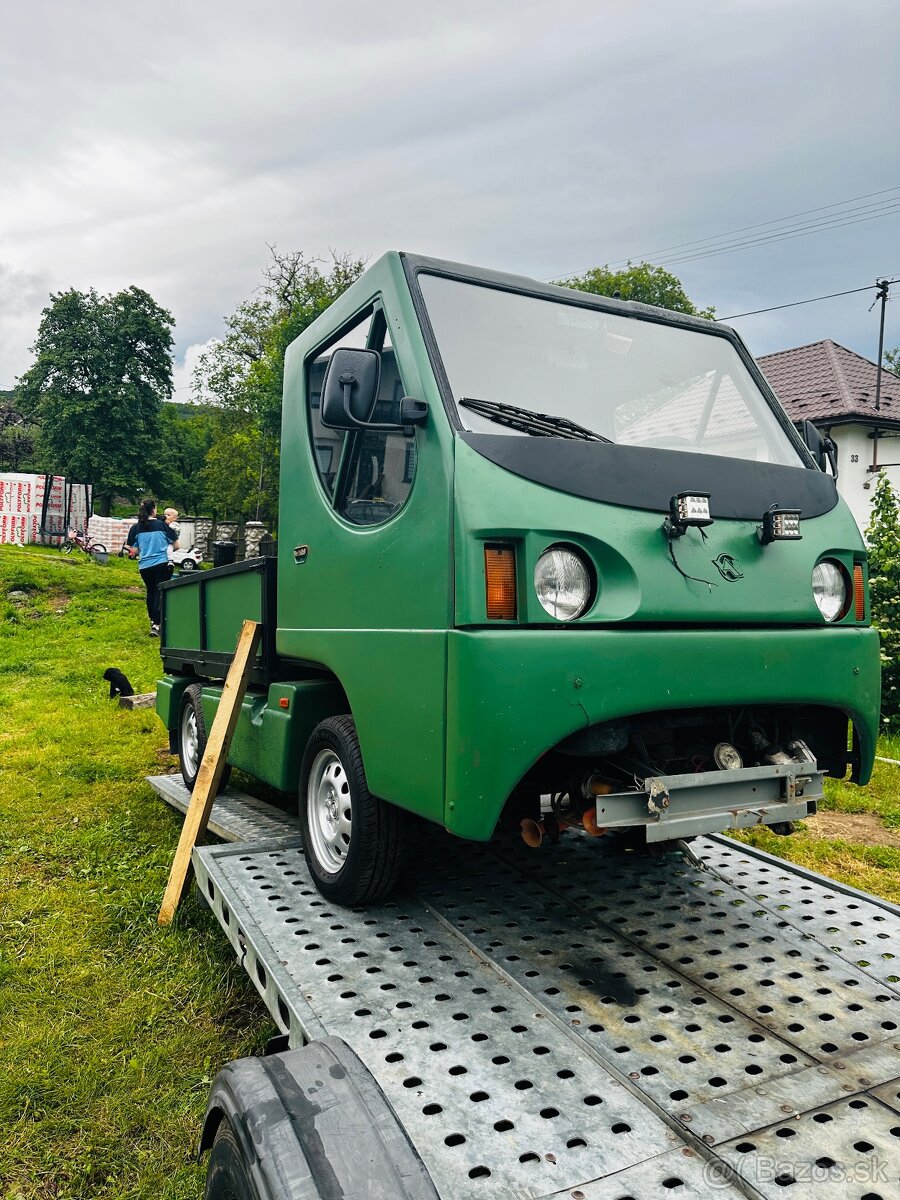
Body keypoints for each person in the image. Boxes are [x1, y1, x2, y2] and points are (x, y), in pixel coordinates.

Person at [126, 498, 178, 636]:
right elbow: (177, 545)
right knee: (159, 593)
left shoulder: (136, 527)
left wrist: (135, 551)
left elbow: (134, 550)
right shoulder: (162, 525)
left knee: (150, 592)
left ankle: (152, 621)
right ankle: (157, 624)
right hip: (162, 564)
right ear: (153, 509)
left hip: (145, 566)